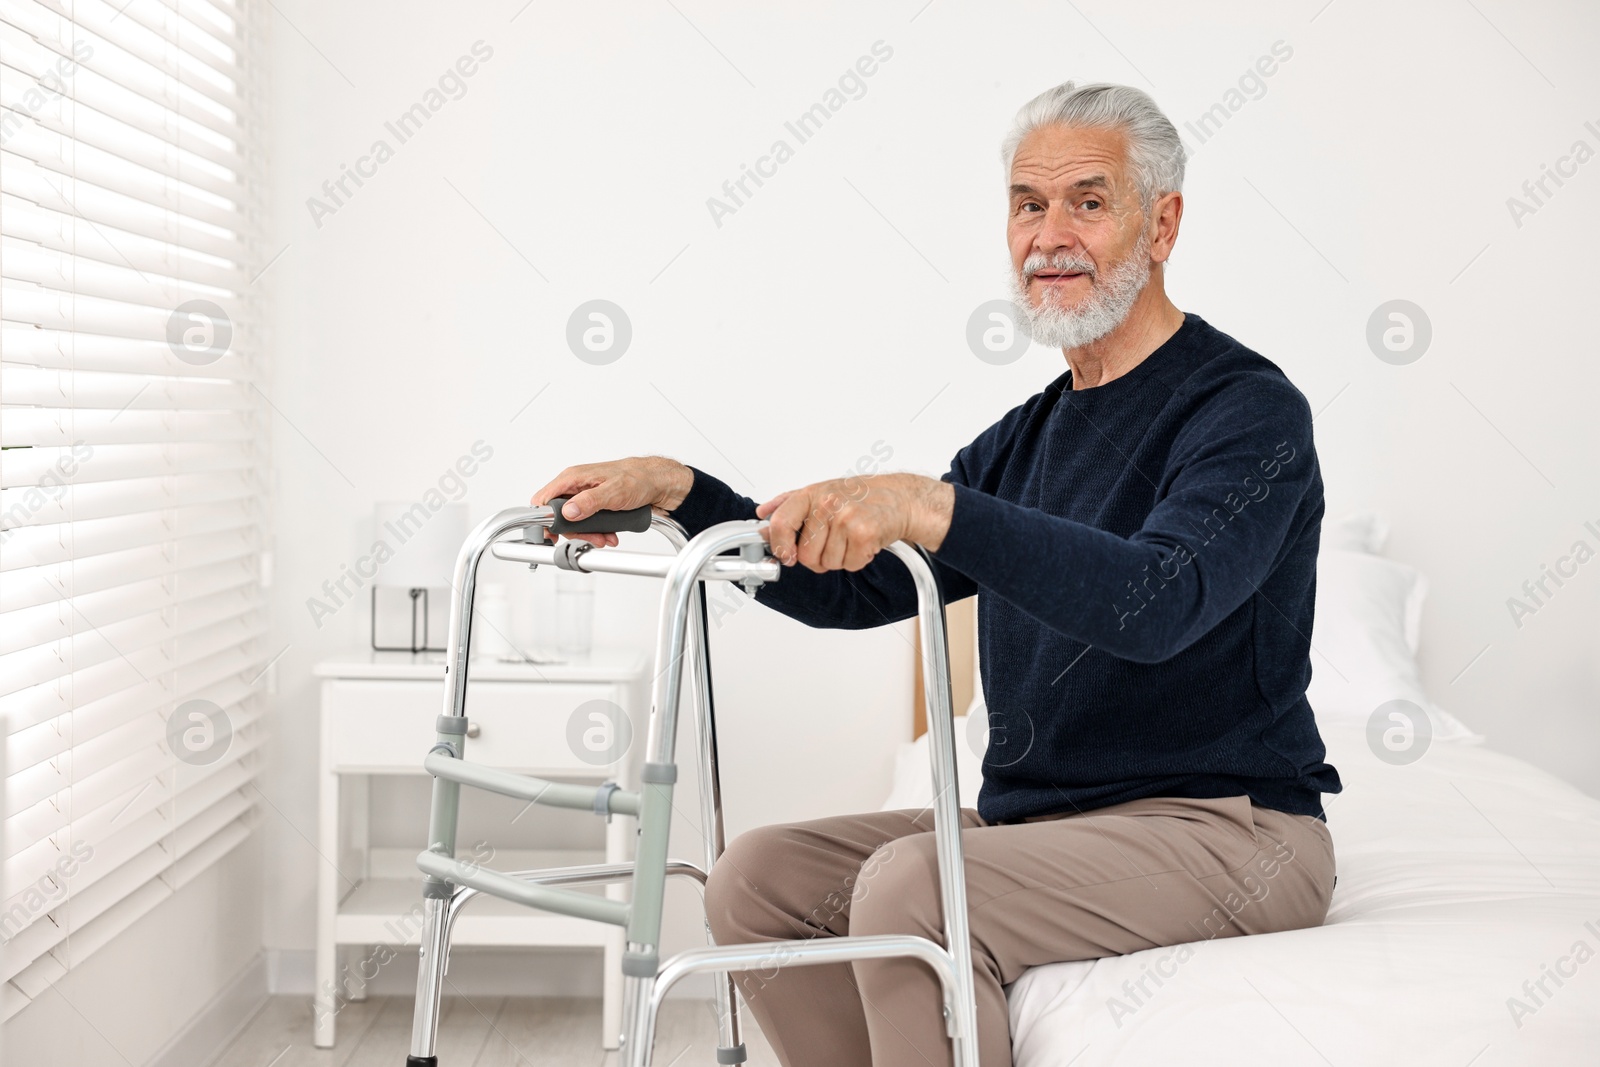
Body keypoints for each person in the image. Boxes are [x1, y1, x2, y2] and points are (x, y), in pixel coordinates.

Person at [532, 80, 1341, 1067]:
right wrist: (683, 493)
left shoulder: (1246, 412)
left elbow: (1156, 602)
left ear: (1161, 222)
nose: (1050, 233)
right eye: (1026, 203)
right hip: (1049, 821)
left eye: (1088, 201)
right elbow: (854, 589)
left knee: (913, 885)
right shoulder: (1030, 436)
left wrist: (932, 504)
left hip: (1228, 832)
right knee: (750, 877)